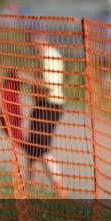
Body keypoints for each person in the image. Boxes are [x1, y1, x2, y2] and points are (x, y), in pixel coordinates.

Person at [21, 37, 67, 198]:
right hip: (42, 105)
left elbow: (47, 87)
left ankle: (59, 187)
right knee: (32, 145)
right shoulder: (42, 56)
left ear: (40, 38)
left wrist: (23, 77)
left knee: (41, 146)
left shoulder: (49, 56)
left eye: (31, 40)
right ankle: (31, 184)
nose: (30, 46)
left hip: (50, 105)